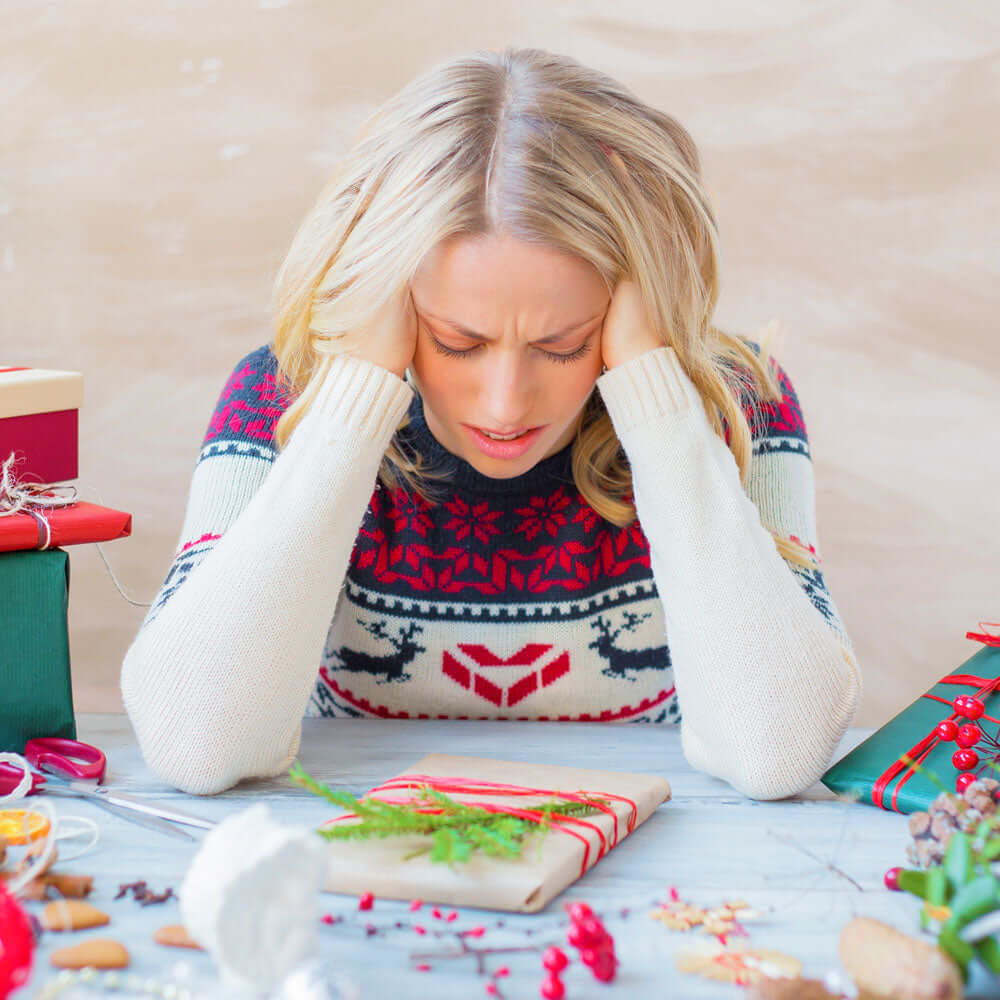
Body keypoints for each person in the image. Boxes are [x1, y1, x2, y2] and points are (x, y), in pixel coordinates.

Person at [120, 46, 861, 798]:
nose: (506, 404)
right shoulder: (281, 398)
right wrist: (354, 397)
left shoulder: (738, 404)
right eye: (458, 343)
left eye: (563, 345)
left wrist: (655, 391)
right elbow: (196, 741)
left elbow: (778, 750)